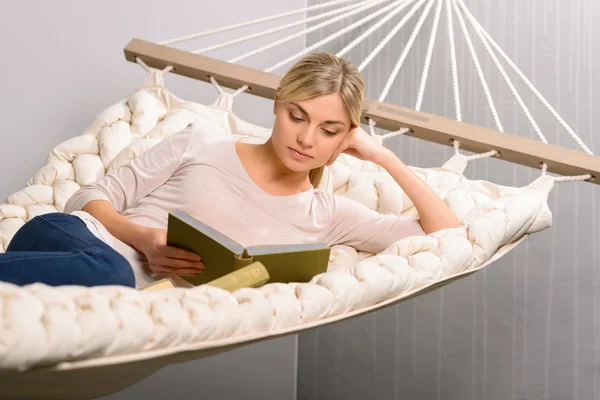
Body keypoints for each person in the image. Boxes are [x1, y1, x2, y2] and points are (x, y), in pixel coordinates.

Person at [0, 52, 460, 288]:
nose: (306, 139)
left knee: (108, 289)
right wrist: (141, 239)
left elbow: (446, 236)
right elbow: (85, 196)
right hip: (74, 238)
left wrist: (385, 157)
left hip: (96, 291)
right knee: (112, 274)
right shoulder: (202, 142)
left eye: (329, 129)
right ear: (277, 106)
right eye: (297, 117)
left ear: (347, 137)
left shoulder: (328, 214)